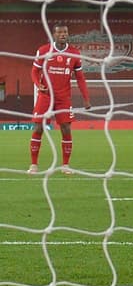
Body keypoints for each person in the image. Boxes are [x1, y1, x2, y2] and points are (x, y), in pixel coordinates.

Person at [29, 24, 91, 175]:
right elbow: (34, 71)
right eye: (60, 32)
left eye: (65, 32)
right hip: (45, 97)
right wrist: (38, 85)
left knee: (66, 129)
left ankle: (65, 165)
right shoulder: (43, 50)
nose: (63, 34)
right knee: (38, 128)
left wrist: (86, 98)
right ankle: (34, 165)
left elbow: (80, 78)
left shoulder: (74, 53)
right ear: (54, 35)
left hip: (63, 99)